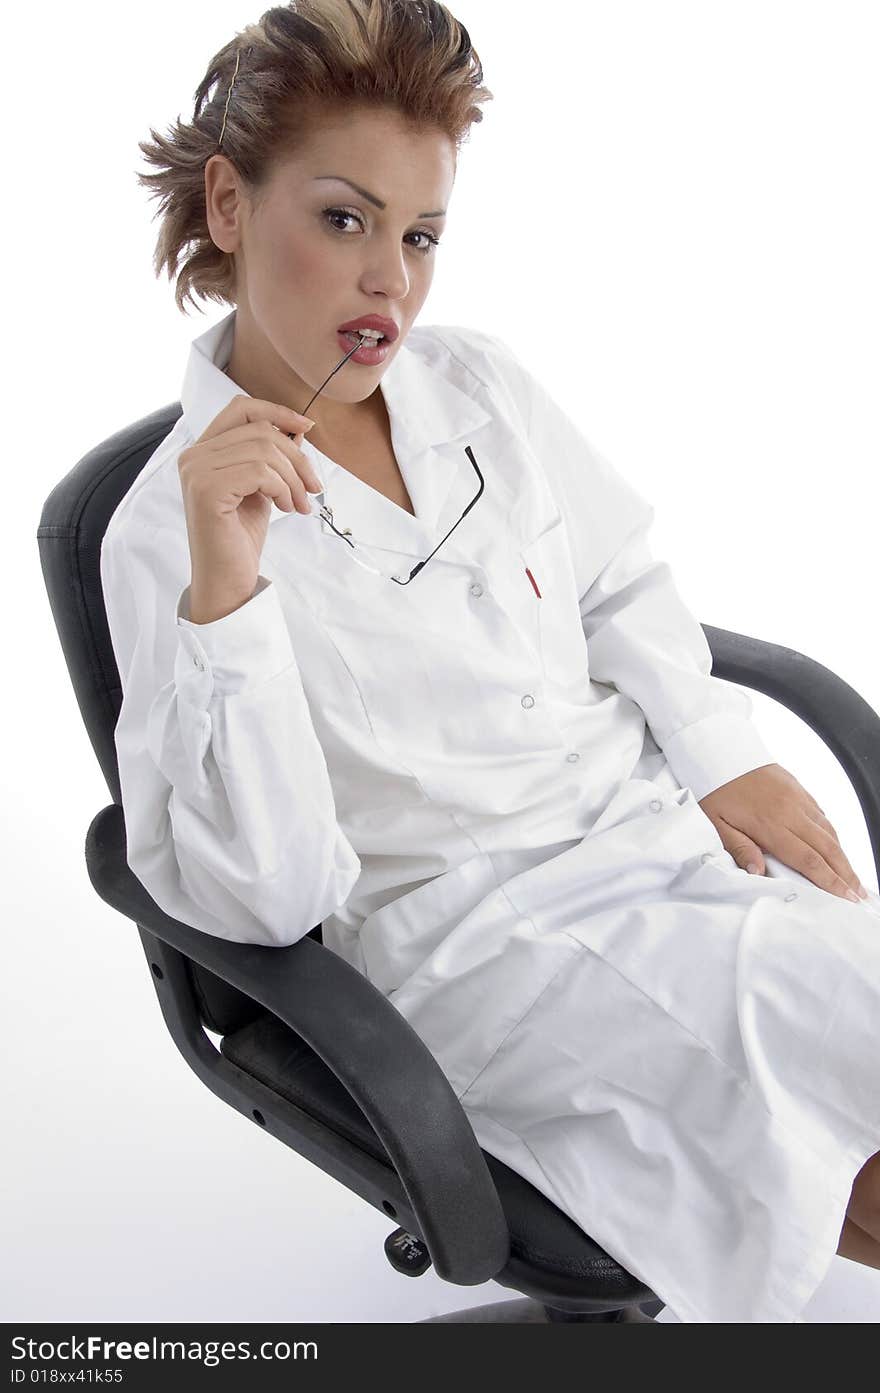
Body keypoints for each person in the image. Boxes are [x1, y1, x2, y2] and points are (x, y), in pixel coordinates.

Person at [100, 0, 880, 1322]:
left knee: (844, 1029)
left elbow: (618, 578)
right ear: (229, 205)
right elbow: (265, 899)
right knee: (802, 1075)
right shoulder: (158, 538)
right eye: (343, 220)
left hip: (653, 857)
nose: (390, 281)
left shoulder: (483, 390)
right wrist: (229, 588)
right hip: (472, 957)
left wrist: (722, 751)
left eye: (420, 236)